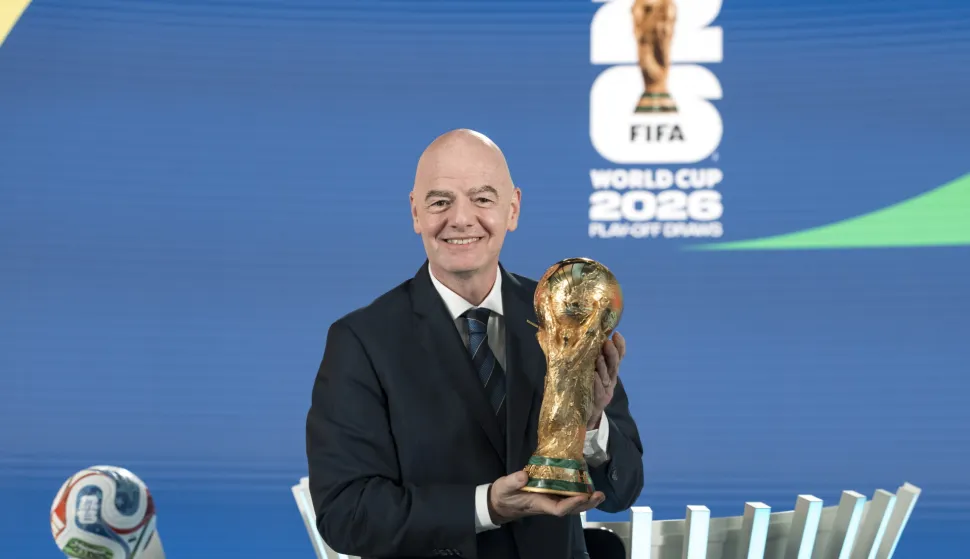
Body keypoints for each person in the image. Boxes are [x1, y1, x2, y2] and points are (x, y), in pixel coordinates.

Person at [305, 129, 644, 559]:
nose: (461, 219)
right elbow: (346, 514)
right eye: (440, 201)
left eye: (482, 198)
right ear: (415, 212)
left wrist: (592, 427)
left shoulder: (567, 312)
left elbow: (624, 489)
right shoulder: (362, 342)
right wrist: (486, 506)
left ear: (513, 208)